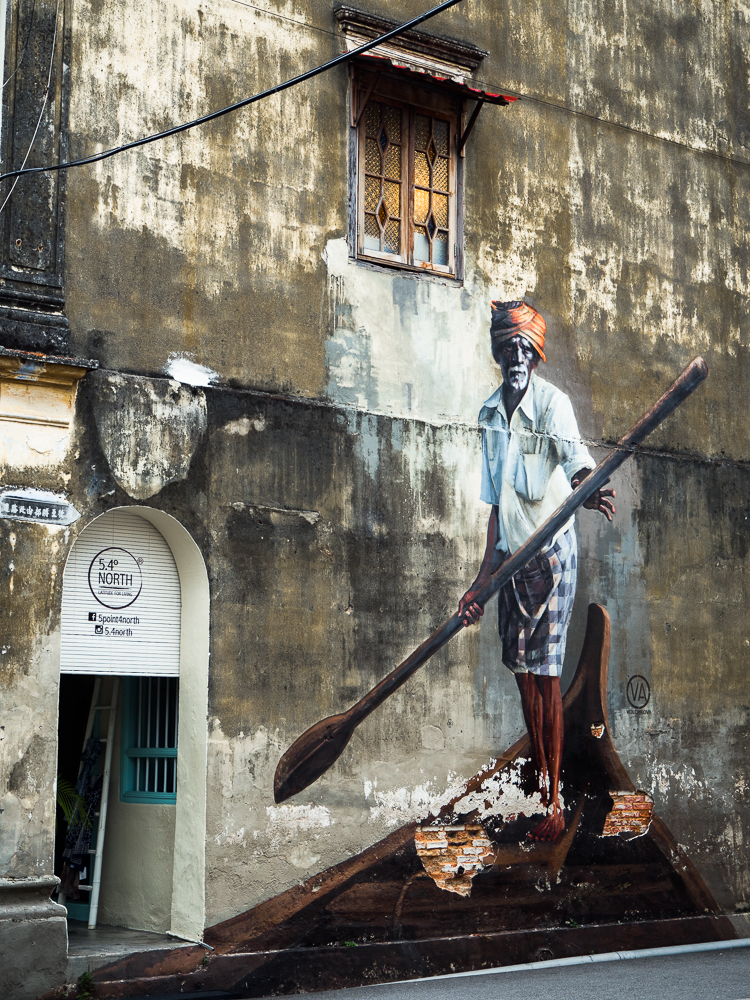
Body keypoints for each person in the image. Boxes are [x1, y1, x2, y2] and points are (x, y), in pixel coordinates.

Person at [458, 301, 615, 842]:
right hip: (511, 565)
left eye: (526, 349)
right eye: (509, 349)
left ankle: (554, 803)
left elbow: (578, 468)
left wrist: (586, 490)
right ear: (499, 354)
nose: (517, 358)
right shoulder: (490, 416)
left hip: (550, 558)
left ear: (537, 354)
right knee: (523, 675)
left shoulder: (553, 406)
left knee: (547, 676)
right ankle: (542, 783)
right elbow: (497, 510)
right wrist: (482, 581)